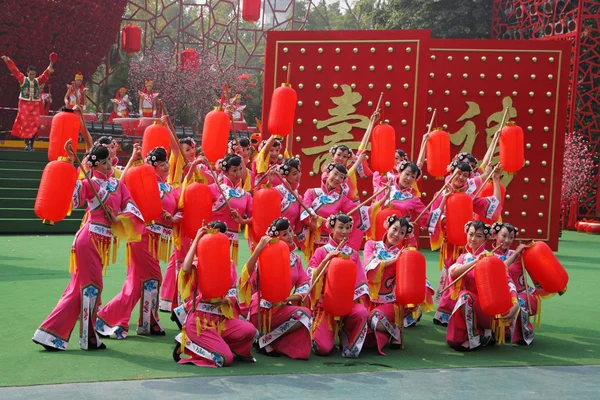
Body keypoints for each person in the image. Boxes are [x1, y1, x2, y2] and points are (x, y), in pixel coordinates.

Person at [32, 141, 144, 351]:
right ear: (93, 165)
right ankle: (89, 336)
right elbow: (71, 200)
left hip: (103, 241)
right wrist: (71, 169)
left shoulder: (118, 184)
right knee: (92, 287)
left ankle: (49, 334)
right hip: (89, 239)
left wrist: (118, 218)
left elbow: (131, 208)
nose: (109, 164)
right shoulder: (88, 184)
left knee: (80, 290)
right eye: (104, 162)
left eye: (109, 159)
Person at [96, 146, 180, 338]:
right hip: (142, 236)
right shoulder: (143, 182)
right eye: (161, 164)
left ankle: (127, 321)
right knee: (154, 278)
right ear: (152, 167)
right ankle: (136, 320)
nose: (167, 166)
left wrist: (173, 218)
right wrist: (134, 158)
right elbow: (120, 186)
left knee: (135, 283)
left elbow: (179, 207)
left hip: (155, 239)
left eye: (167, 162)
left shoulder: (169, 188)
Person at [428, 161, 503, 326]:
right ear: (451, 172)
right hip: (450, 244)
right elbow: (433, 219)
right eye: (458, 173)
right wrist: (446, 207)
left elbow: (492, 208)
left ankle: (466, 310)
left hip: (468, 244)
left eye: (465, 175)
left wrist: (496, 181)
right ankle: (446, 313)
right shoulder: (441, 193)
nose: (461, 178)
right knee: (451, 275)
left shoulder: (470, 197)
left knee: (468, 278)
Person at [173, 221, 257, 367]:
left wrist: (224, 301)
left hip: (221, 320)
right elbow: (185, 269)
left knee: (250, 330)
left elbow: (232, 292)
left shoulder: (229, 265)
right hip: (200, 321)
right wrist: (197, 240)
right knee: (225, 359)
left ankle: (220, 344)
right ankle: (186, 341)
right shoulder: (199, 262)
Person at [239, 218, 312, 358]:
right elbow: (245, 279)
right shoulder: (264, 255)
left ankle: (265, 339)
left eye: (290, 231)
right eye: (285, 234)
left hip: (282, 307)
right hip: (260, 309)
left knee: (305, 315)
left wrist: (289, 298)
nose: (290, 236)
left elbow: (304, 285)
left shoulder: (295, 259)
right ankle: (262, 336)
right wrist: (258, 250)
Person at [363, 216, 434, 354]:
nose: (396, 235)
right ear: (387, 227)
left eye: (401, 232)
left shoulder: (404, 254)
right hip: (369, 300)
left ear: (405, 236)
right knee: (362, 328)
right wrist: (396, 260)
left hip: (391, 303)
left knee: (375, 320)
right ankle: (392, 329)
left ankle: (396, 329)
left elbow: (415, 276)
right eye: (394, 229)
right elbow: (369, 267)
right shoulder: (371, 245)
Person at [445, 220, 519, 351]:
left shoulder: (491, 258)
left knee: (465, 297)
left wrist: (515, 302)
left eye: (478, 236)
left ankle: (474, 337)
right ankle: (483, 333)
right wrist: (475, 260)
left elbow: (508, 282)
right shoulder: (463, 258)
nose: (473, 239)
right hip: (471, 306)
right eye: (471, 234)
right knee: (464, 298)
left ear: (486, 238)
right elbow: (454, 273)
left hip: (488, 308)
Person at [307, 212, 370, 358]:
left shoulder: (353, 254)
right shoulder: (321, 252)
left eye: (348, 227)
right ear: (331, 228)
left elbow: (360, 281)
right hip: (325, 304)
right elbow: (310, 277)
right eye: (340, 227)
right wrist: (326, 261)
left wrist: (347, 301)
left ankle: (345, 334)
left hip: (347, 302)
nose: (344, 231)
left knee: (361, 312)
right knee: (323, 349)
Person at [492, 222, 538, 345]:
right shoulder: (488, 255)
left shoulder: (520, 254)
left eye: (511, 237)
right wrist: (516, 253)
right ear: (495, 235)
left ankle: (521, 334)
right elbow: (501, 267)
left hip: (520, 292)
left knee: (521, 301)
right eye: (504, 236)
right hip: (499, 295)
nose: (507, 240)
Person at [300, 163, 356, 259]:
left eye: (341, 177)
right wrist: (319, 220)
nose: (337, 178)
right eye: (335, 174)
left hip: (332, 243)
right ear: (328, 173)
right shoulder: (312, 193)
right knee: (316, 269)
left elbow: (356, 211)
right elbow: (305, 213)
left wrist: (378, 204)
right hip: (314, 241)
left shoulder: (341, 199)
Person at [2, 54, 54, 150]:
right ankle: (27, 144)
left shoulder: (37, 81)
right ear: (27, 73)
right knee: (25, 124)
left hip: (35, 105)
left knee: (35, 125)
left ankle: (31, 145)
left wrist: (51, 62)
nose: (32, 76)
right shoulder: (22, 79)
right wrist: (7, 61)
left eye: (33, 75)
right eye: (30, 74)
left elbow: (46, 73)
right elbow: (15, 70)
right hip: (24, 105)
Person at [209, 154, 253, 265]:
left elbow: (256, 218)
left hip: (230, 240)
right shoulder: (214, 189)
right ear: (225, 172)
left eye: (240, 169)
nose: (238, 173)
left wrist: (242, 221)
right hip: (210, 238)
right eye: (234, 170)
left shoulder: (245, 195)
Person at [373, 161, 429, 247]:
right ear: (400, 171)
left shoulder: (413, 199)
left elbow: (427, 218)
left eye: (413, 177)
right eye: (407, 174)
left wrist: (442, 203)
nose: (409, 178)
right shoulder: (385, 189)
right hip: (382, 233)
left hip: (401, 237)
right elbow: (374, 211)